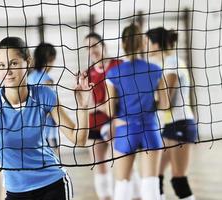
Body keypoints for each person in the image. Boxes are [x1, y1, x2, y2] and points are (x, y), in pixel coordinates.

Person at [0, 37, 93, 200]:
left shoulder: (44, 95)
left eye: (13, 63)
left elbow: (79, 139)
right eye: (2, 65)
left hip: (53, 185)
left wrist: (83, 106)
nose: (7, 71)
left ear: (27, 62)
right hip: (16, 192)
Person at [105, 23, 170, 200]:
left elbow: (110, 110)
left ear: (122, 44)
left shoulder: (113, 73)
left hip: (126, 130)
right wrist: (147, 103)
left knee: (122, 185)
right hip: (150, 128)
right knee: (151, 185)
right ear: (142, 43)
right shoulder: (156, 70)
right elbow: (165, 105)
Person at [145, 27, 198, 200]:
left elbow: (166, 102)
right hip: (169, 126)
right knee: (155, 176)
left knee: (178, 179)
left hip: (180, 124)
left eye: (146, 43)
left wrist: (139, 104)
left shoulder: (172, 63)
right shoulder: (164, 64)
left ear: (155, 44)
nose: (144, 48)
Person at [84, 32, 121, 200]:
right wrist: (105, 106)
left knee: (122, 164)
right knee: (99, 164)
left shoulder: (118, 65)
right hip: (95, 123)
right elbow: (88, 106)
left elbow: (125, 96)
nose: (91, 50)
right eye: (87, 47)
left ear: (103, 46)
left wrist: (111, 110)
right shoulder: (87, 74)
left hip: (117, 121)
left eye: (94, 45)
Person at [28, 42, 59, 151]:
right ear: (51, 58)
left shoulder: (29, 77)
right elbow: (50, 108)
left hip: (31, 130)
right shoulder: (47, 80)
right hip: (47, 133)